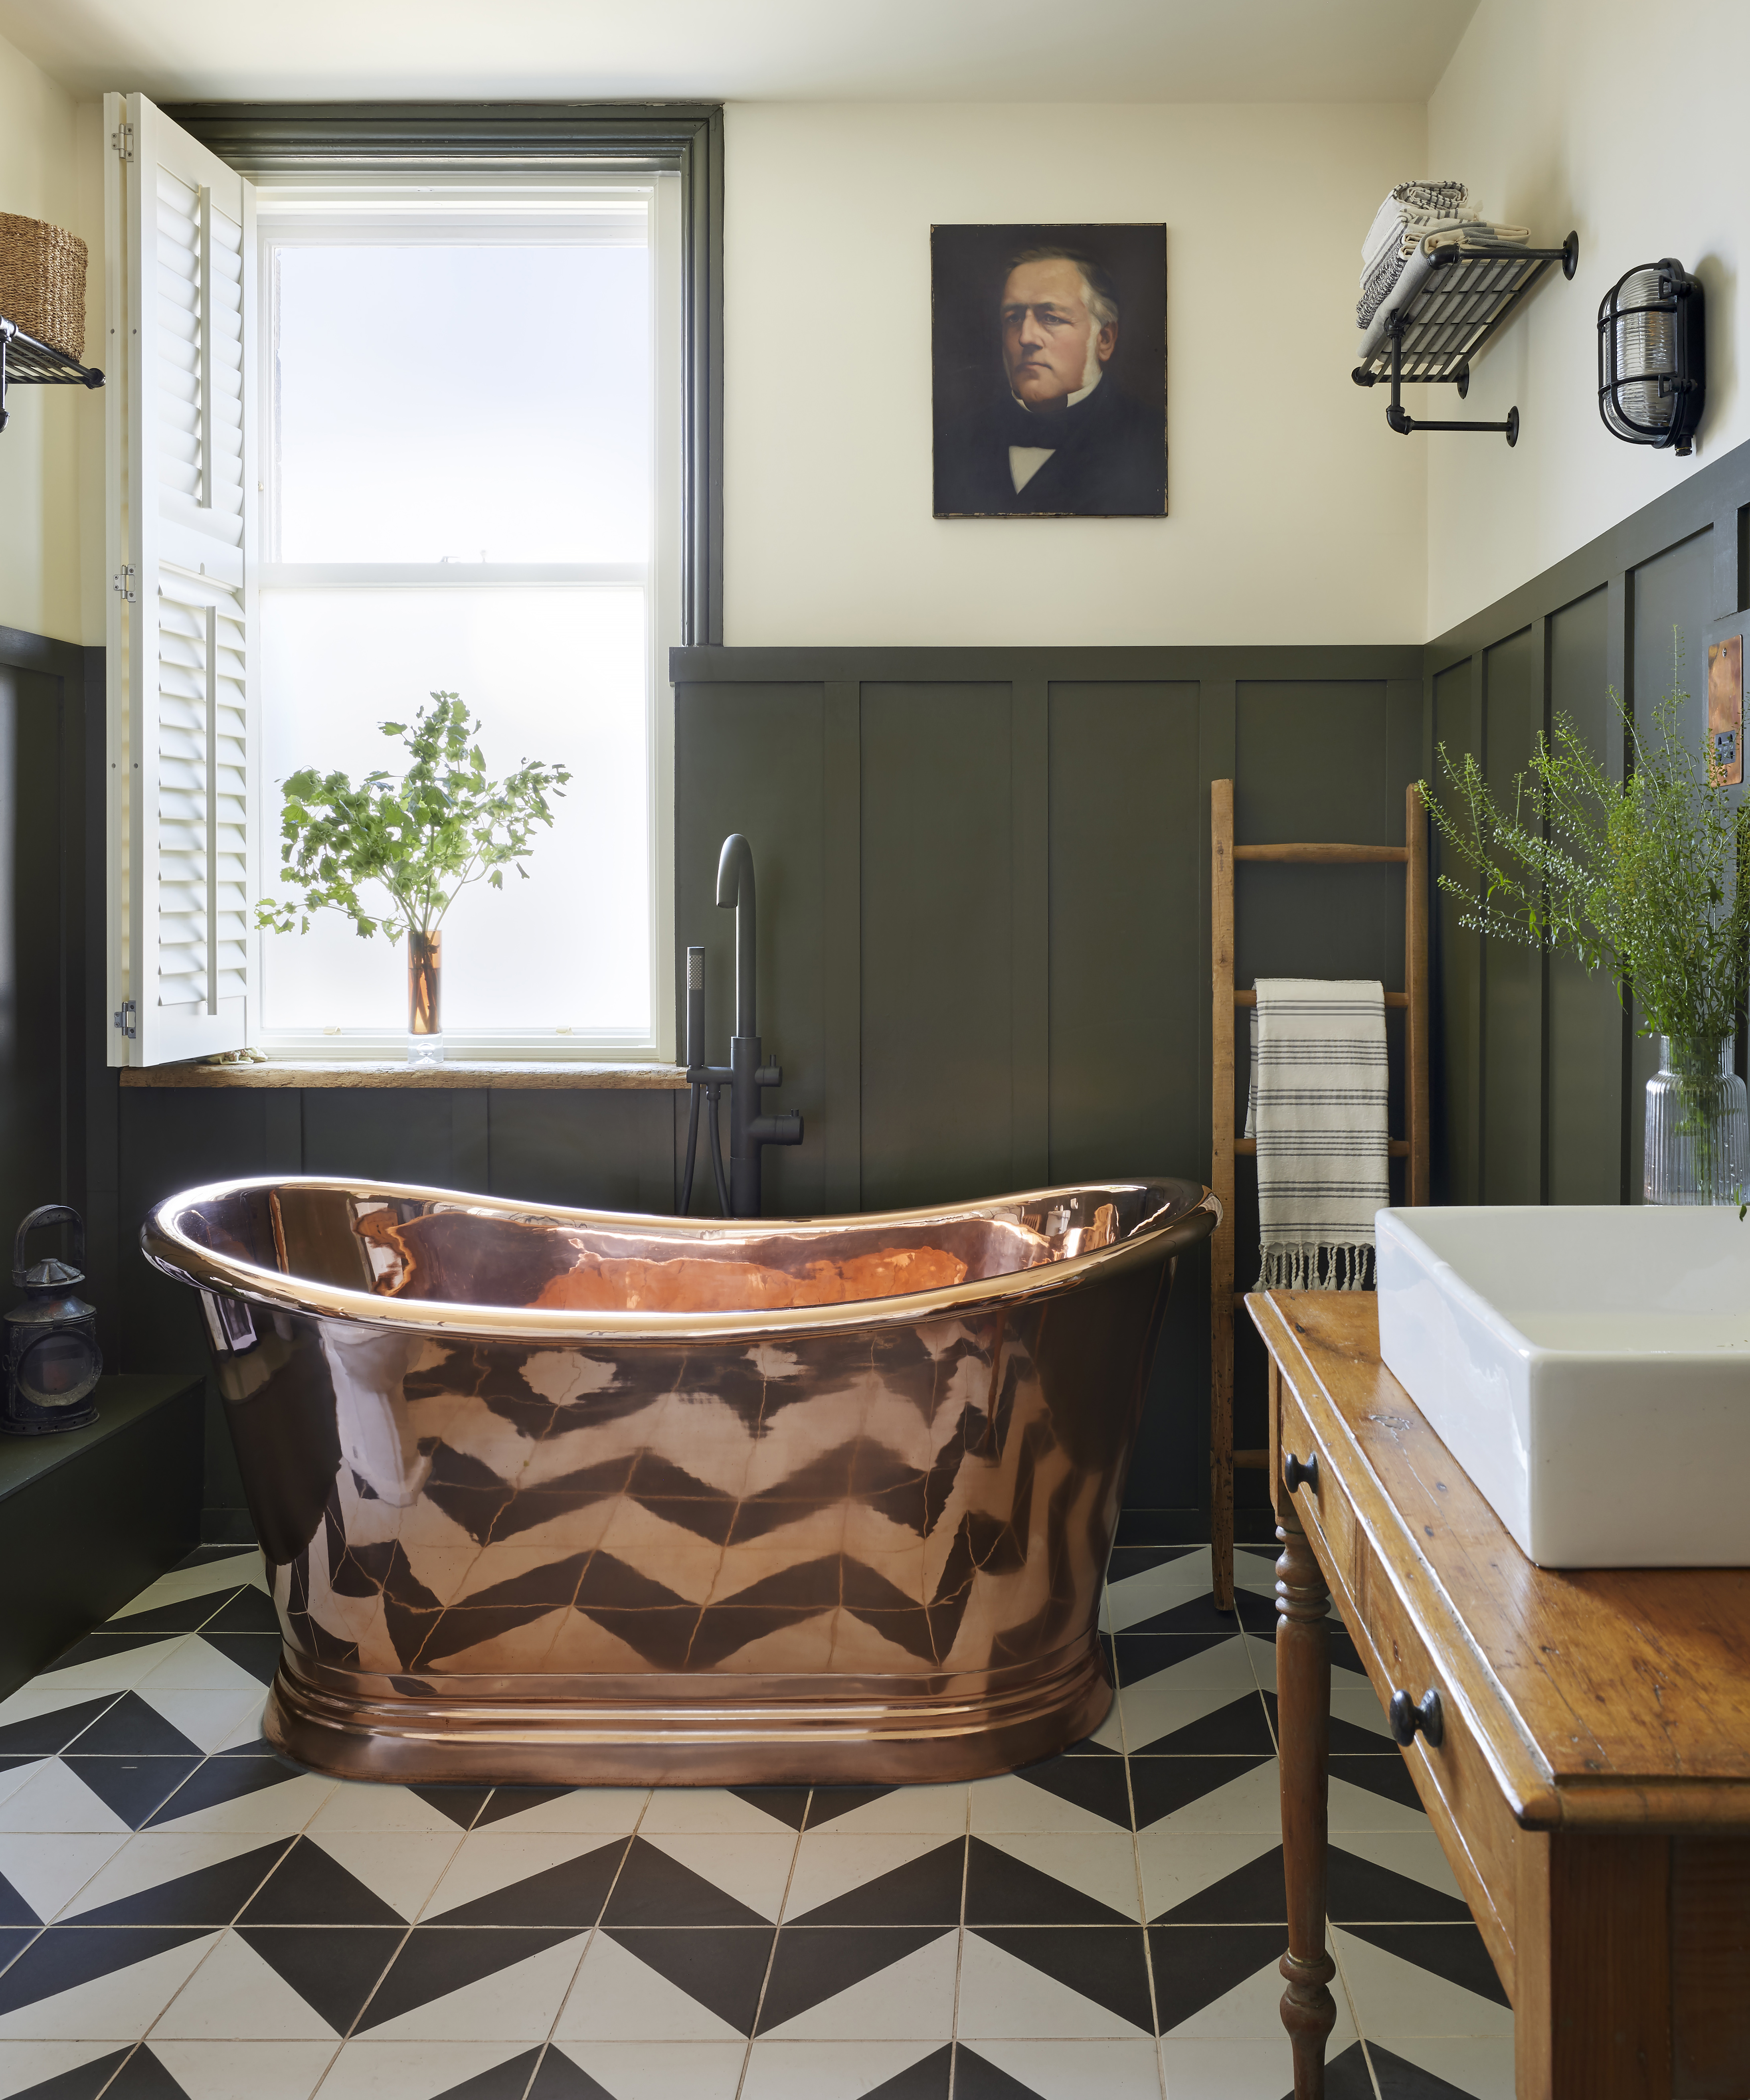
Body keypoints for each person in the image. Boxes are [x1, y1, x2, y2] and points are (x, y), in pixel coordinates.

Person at [934, 245, 1165, 516]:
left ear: (1104, 339)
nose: (1026, 337)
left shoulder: (1153, 442)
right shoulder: (953, 444)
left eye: (1051, 318)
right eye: (1014, 318)